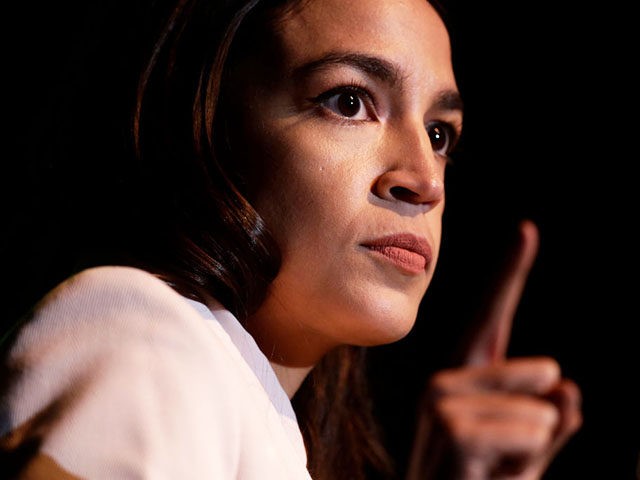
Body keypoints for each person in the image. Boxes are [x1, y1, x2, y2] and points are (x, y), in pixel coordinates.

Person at [0, 0, 582, 478]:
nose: (426, 180)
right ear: (208, 132)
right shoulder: (147, 335)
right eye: (349, 101)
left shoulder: (263, 423)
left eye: (438, 133)